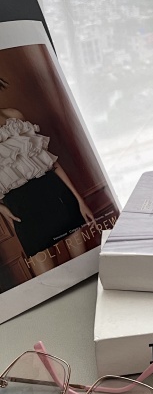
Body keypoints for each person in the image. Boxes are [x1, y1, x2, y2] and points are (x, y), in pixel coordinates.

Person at [0, 76, 96, 276]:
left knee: (84, 270)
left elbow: (52, 163)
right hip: (21, 207)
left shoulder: (14, 117)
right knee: (49, 283)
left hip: (56, 194)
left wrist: (79, 201)